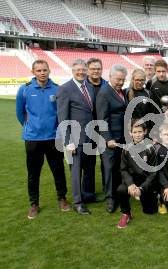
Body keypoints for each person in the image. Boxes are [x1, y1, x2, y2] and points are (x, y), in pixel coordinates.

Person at [16, 59, 69, 219]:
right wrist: (31, 127)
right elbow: (20, 113)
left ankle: (62, 198)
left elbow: (60, 113)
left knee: (58, 170)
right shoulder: (24, 90)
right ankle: (34, 204)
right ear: (33, 72)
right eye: (38, 70)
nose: (42, 73)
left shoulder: (57, 89)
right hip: (33, 139)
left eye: (44, 70)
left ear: (49, 71)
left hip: (53, 138)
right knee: (33, 173)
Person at [57, 59, 95, 215]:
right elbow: (62, 117)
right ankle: (77, 203)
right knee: (75, 172)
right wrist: (68, 142)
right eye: (78, 69)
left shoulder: (90, 87)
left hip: (90, 138)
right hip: (74, 139)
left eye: (83, 69)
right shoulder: (65, 89)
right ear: (72, 70)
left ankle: (85, 196)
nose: (81, 72)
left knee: (88, 170)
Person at [96, 64, 128, 213]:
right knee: (109, 169)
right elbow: (102, 119)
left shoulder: (121, 92)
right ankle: (110, 199)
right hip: (110, 140)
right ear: (110, 77)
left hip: (121, 138)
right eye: (118, 79)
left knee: (119, 169)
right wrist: (108, 138)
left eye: (122, 79)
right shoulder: (104, 93)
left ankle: (119, 194)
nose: (120, 82)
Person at [117, 120, 159, 228]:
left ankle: (154, 196)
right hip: (133, 181)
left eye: (140, 132)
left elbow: (154, 173)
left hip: (146, 183)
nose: (137, 135)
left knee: (150, 211)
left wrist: (142, 189)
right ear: (130, 133)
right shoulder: (126, 149)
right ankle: (126, 213)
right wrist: (130, 184)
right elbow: (123, 169)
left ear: (145, 132)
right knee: (121, 189)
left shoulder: (151, 148)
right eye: (134, 132)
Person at [84, 57, 107, 203]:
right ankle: (88, 194)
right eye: (93, 68)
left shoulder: (107, 85)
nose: (95, 71)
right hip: (87, 131)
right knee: (88, 164)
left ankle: (108, 190)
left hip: (104, 130)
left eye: (98, 68)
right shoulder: (82, 86)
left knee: (107, 163)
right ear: (87, 70)